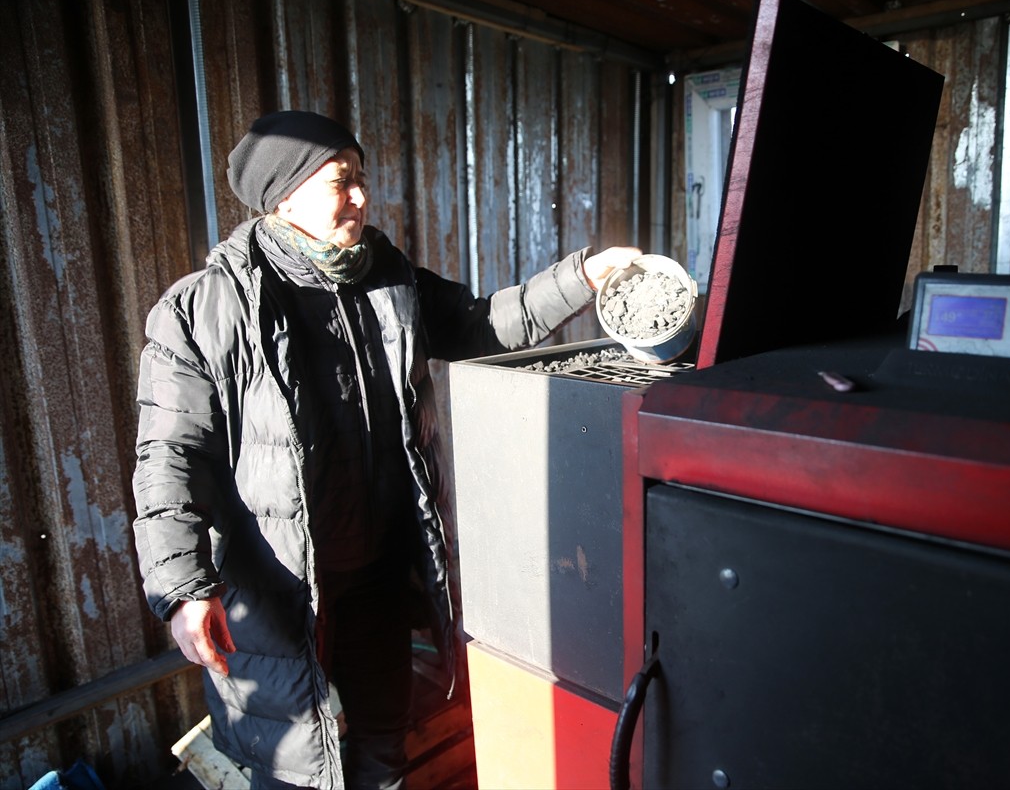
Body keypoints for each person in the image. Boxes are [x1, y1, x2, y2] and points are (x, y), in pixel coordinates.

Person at [131, 109, 638, 789]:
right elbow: (168, 454)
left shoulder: (387, 279)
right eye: (343, 181)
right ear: (285, 195)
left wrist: (583, 278)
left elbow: (483, 324)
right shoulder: (203, 310)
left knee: (382, 750)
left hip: (375, 577)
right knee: (291, 770)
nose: (363, 198)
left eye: (362, 179)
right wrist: (184, 589)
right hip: (277, 591)